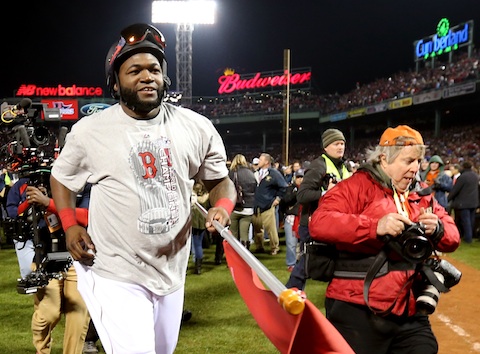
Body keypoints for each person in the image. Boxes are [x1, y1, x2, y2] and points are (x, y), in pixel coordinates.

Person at [49, 23, 236, 354]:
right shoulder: (90, 131)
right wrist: (70, 224)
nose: (146, 76)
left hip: (171, 272)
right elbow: (62, 178)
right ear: (116, 83)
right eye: (134, 70)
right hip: (115, 270)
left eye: (154, 69)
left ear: (165, 78)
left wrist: (223, 206)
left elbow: (220, 181)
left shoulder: (197, 127)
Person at [308, 125, 460, 354]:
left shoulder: (419, 194)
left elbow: (453, 238)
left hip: (408, 308)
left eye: (418, 161)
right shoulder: (357, 186)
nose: (415, 168)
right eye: (408, 161)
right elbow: (319, 222)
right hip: (357, 306)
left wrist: (437, 228)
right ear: (384, 159)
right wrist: (374, 227)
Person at [6, 171, 91, 354]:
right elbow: (15, 218)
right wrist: (31, 203)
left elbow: (87, 216)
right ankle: (42, 350)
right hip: (44, 254)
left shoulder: (84, 181)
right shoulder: (26, 183)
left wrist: (48, 202)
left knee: (78, 313)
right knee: (49, 312)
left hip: (77, 257)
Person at [286, 128, 351, 290]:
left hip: (334, 223)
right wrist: (326, 193)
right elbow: (302, 195)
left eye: (342, 143)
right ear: (326, 146)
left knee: (334, 263)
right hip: (313, 224)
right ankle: (290, 294)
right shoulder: (318, 166)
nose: (341, 147)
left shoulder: (344, 166)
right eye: (336, 144)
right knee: (307, 262)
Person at [251, 153, 288, 255]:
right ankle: (259, 247)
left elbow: (284, 187)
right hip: (256, 205)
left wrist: (278, 199)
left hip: (267, 205)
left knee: (271, 229)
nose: (259, 161)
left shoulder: (274, 173)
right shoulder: (256, 173)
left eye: (261, 159)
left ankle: (274, 247)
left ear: (267, 162)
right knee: (257, 228)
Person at [228, 154, 257, 249]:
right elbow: (255, 189)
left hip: (235, 207)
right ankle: (245, 257)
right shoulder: (251, 173)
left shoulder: (232, 173)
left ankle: (234, 258)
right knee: (245, 234)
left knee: (233, 235)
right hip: (248, 207)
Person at [448, 161, 479, 244]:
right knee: (471, 220)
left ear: (463, 167)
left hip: (464, 202)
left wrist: (448, 198)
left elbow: (456, 190)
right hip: (474, 202)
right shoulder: (476, 176)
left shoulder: (463, 177)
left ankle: (468, 238)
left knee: (466, 221)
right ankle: (470, 236)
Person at [281, 168, 304, 272]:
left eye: (302, 177)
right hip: (291, 218)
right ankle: (291, 264)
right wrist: (296, 193)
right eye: (298, 177)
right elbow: (285, 200)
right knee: (291, 243)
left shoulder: (308, 190)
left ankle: (302, 263)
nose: (300, 179)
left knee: (303, 244)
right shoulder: (290, 188)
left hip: (303, 218)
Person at [191, 181, 209, 274]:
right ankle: (198, 266)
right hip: (202, 222)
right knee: (198, 245)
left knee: (195, 244)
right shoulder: (206, 195)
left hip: (193, 222)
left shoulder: (193, 197)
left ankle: (196, 265)